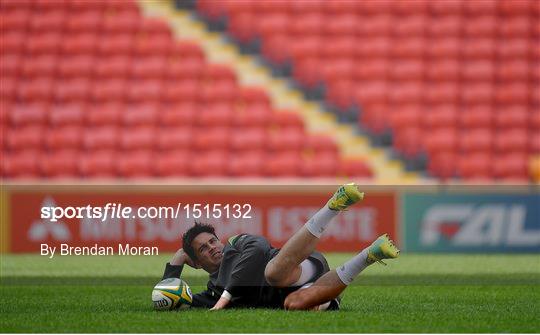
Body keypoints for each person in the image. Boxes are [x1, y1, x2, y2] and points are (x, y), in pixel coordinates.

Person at [161, 183, 399, 310]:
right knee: (293, 304)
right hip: (297, 289)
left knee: (272, 273)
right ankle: (369, 255)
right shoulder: (212, 292)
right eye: (202, 249)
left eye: (212, 240)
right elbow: (168, 298)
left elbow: (260, 246)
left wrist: (227, 295)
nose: (212, 247)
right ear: (196, 263)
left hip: (297, 265)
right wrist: (177, 261)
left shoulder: (235, 245)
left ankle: (332, 207)